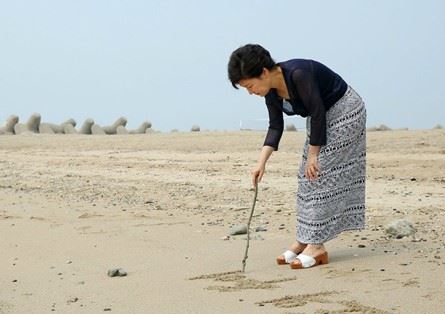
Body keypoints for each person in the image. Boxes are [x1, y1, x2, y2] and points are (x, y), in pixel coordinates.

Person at [227, 44, 366, 269]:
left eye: (250, 85)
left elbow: (318, 111)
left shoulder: (298, 74)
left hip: (345, 110)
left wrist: (314, 155)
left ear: (263, 73)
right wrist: (260, 164)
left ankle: (317, 246)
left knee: (320, 173)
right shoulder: (270, 92)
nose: (250, 92)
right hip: (321, 117)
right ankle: (305, 238)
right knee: (305, 176)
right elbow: (275, 127)